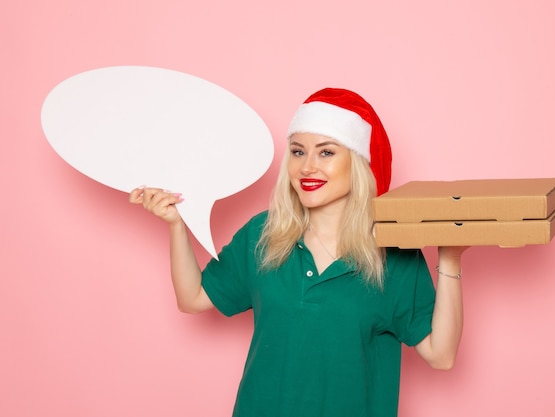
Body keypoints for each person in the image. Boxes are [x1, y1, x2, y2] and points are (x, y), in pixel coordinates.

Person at [129, 88, 468, 417]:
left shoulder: (392, 254)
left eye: (326, 152)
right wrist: (176, 225)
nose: (307, 167)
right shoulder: (262, 234)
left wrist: (450, 260)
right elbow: (193, 298)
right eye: (297, 151)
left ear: (359, 163)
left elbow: (441, 355)